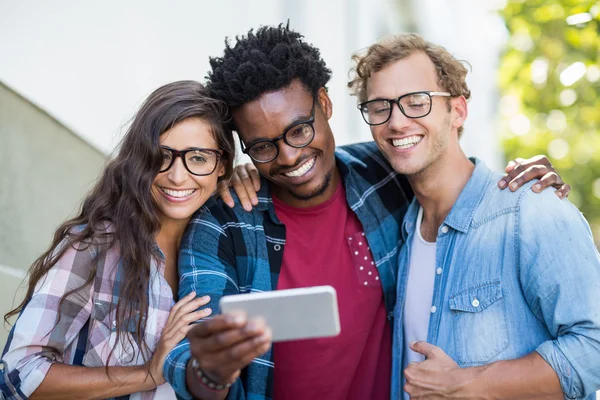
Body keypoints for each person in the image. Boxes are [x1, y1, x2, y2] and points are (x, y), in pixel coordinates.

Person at [163, 24, 569, 400]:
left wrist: (519, 184)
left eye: (300, 129)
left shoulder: (385, 175)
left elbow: (450, 170)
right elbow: (187, 356)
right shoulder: (222, 223)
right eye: (264, 147)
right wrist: (211, 372)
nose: (289, 156)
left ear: (325, 103)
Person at [348, 33, 600, 399]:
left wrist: (471, 383)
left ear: (458, 110)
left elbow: (595, 347)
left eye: (417, 102)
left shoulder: (531, 211)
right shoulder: (400, 230)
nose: (397, 122)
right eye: (379, 107)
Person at [1, 80, 235, 399]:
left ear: (221, 165)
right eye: (161, 156)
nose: (178, 177)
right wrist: (150, 372)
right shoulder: (94, 245)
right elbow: (21, 372)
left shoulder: (224, 249)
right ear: (141, 158)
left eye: (198, 158)